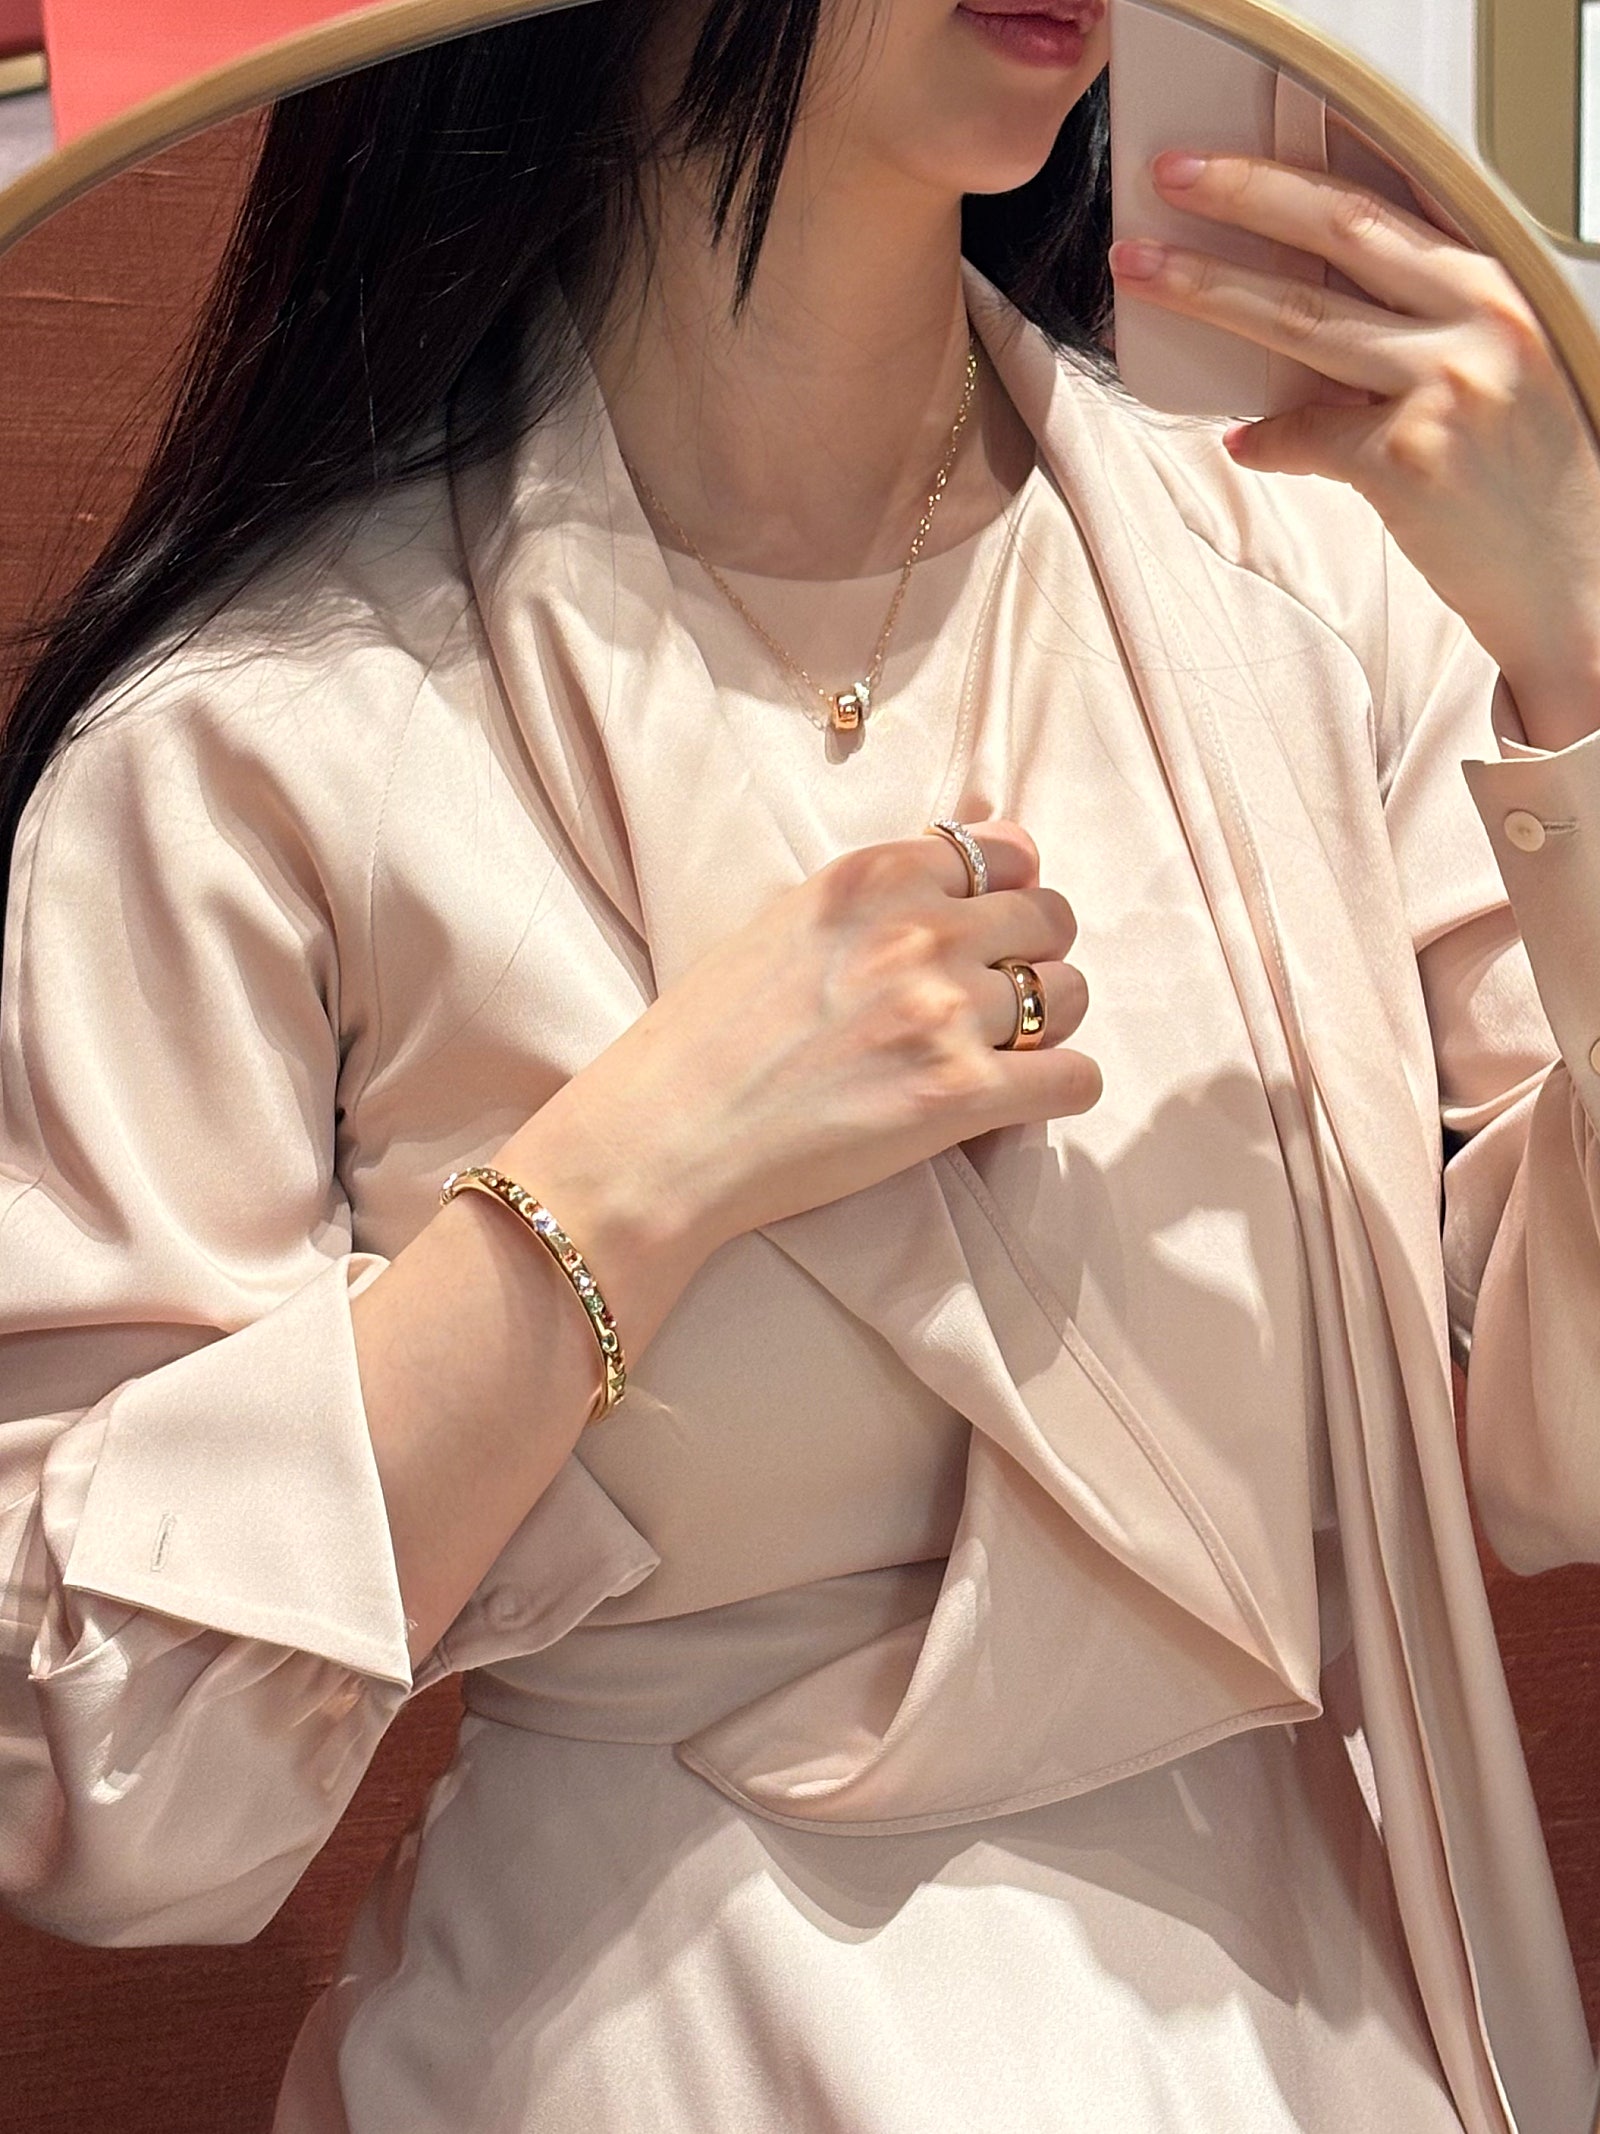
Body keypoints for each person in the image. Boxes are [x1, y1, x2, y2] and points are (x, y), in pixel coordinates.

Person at [1, 0, 1599, 2127]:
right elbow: (101, 1774)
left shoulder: (1314, 584)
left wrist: (1577, 653)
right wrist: (636, 1174)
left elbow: (1555, 1450)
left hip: (1303, 2039)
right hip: (651, 2054)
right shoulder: (259, 741)